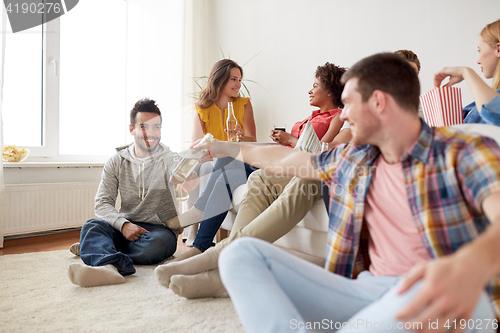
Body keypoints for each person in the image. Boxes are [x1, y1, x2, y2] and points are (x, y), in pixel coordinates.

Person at [210, 53, 500, 332]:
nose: (343, 115)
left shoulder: (462, 151)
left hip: (443, 291)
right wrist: (227, 148)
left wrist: (468, 265)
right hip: (369, 289)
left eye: (348, 103)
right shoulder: (357, 159)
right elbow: (287, 160)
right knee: (239, 255)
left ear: (378, 102)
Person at [156, 62, 350, 299]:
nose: (310, 90)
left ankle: (214, 250)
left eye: (315, 86)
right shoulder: (312, 117)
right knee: (251, 174)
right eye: (233, 79)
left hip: (306, 166)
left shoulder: (339, 118)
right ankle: (225, 261)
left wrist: (288, 139)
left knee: (232, 161)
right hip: (292, 161)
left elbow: (324, 150)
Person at [68, 98, 186, 288]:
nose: (151, 133)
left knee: (158, 246)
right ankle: (108, 269)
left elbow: (187, 180)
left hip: (158, 231)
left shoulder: (171, 159)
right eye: (144, 126)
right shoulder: (116, 162)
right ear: (132, 129)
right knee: (91, 226)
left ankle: (97, 249)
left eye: (156, 127)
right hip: (124, 227)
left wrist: (192, 176)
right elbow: (102, 203)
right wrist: (123, 225)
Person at [168, 59, 258, 258]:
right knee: (213, 163)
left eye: (239, 79)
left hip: (240, 157)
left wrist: (241, 135)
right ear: (220, 79)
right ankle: (200, 243)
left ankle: (199, 212)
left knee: (225, 155)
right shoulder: (202, 108)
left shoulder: (244, 104)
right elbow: (196, 145)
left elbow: (252, 141)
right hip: (214, 158)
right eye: (233, 79)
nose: (238, 84)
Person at [434, 19, 500, 125]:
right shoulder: (485, 98)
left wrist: (465, 72)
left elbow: (494, 113)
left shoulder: (491, 103)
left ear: (498, 50)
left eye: (480, 50)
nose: (478, 61)